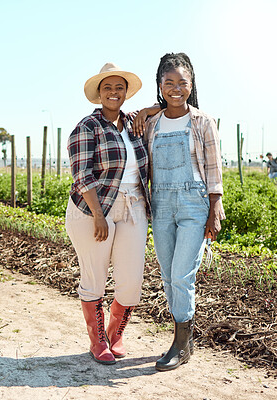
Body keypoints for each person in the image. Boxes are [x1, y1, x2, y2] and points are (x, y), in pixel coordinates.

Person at [135, 52, 225, 371]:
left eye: (182, 82)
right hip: (160, 204)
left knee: (181, 274)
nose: (176, 88)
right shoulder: (151, 123)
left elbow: (213, 169)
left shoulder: (202, 122)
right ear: (160, 85)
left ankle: (181, 344)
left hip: (194, 202)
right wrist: (149, 109)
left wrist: (216, 208)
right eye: (168, 82)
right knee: (167, 275)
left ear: (191, 84)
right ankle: (184, 339)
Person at [66, 63, 159, 365]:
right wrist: (97, 215)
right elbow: (82, 176)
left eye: (120, 87)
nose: (114, 93)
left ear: (126, 93)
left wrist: (147, 110)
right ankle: (98, 342)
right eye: (108, 88)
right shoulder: (87, 127)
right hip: (93, 209)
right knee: (94, 276)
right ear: (98, 94)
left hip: (133, 207)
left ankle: (115, 334)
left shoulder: (133, 123)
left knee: (131, 282)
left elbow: (168, 103)